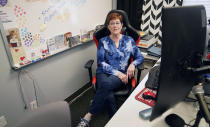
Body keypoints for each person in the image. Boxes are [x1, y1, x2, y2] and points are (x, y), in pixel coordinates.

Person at [76, 12, 144, 127]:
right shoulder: (103, 41)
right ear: (108, 26)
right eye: (112, 23)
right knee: (108, 89)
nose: (115, 26)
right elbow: (101, 63)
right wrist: (117, 73)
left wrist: (133, 64)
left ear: (122, 25)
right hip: (104, 72)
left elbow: (139, 57)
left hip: (123, 73)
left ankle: (88, 115)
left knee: (105, 85)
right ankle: (114, 119)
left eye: (117, 23)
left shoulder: (129, 41)